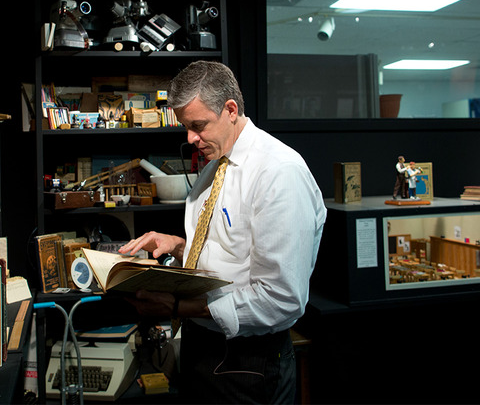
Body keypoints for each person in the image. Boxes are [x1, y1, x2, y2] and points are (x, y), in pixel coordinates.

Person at [118, 61, 326, 404]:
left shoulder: (279, 172)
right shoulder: (215, 164)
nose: (190, 138)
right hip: (205, 349)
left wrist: (177, 305)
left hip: (250, 361)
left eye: (198, 125)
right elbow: (229, 253)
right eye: (186, 127)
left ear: (230, 109)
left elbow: (282, 299)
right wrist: (181, 247)